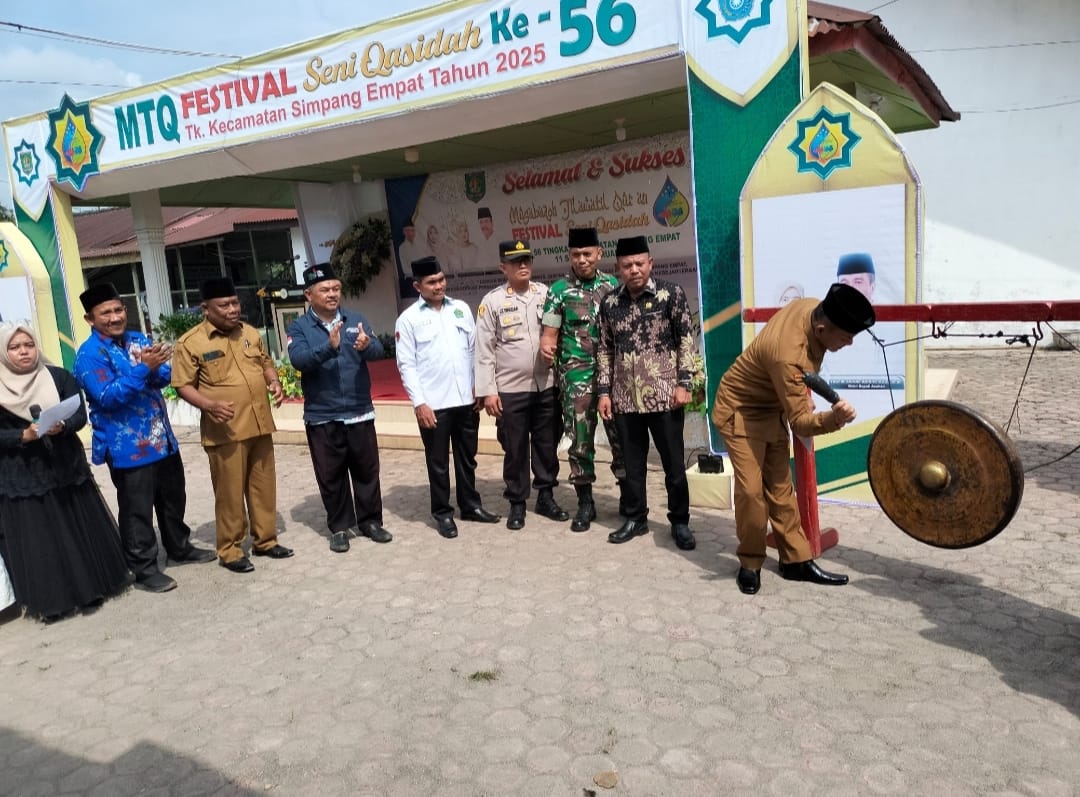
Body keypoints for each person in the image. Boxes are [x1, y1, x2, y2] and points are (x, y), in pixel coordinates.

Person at [712, 282, 875, 595]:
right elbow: (800, 423)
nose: (850, 343)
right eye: (845, 337)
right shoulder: (790, 357)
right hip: (740, 411)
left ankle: (795, 561)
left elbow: (798, 389)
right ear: (821, 328)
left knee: (781, 489)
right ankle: (750, 562)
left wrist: (801, 398)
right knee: (752, 493)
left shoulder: (813, 306)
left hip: (772, 408)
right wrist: (835, 419)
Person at [74, 283, 215, 594]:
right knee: (137, 509)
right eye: (105, 313)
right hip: (126, 447)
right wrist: (143, 369)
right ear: (90, 319)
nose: (114, 317)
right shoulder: (89, 355)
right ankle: (143, 568)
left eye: (118, 310)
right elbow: (108, 397)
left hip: (161, 438)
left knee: (173, 497)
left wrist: (158, 365)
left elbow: (163, 377)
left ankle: (179, 547)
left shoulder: (138, 339)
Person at [0, 322, 129, 621]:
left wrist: (63, 426)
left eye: (29, 345)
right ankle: (54, 601)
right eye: (14, 347)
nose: (23, 352)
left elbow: (79, 414)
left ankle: (91, 589)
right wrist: (22, 436)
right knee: (41, 536)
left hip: (65, 466)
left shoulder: (57, 377)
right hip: (23, 474)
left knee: (76, 527)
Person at [171, 277, 293, 573]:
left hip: (259, 424)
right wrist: (209, 405)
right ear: (206, 309)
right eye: (224, 305)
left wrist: (274, 382)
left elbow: (265, 362)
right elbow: (182, 385)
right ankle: (230, 549)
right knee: (230, 493)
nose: (232, 309)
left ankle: (265, 541)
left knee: (263, 487)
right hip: (226, 431)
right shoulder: (190, 343)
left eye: (235, 303)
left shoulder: (249, 332)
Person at [597, 236, 697, 551]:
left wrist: (685, 383)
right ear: (618, 268)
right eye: (627, 265)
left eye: (640, 263)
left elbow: (686, 339)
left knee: (673, 465)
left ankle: (680, 522)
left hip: (665, 395)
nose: (634, 270)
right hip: (626, 399)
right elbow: (605, 349)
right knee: (632, 466)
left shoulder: (671, 294)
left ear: (650, 263)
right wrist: (604, 391)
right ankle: (635, 517)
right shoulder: (609, 303)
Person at [286, 263, 392, 553]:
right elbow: (299, 360)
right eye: (325, 290)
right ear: (309, 295)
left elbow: (377, 351)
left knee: (367, 471)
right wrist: (328, 347)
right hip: (323, 415)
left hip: (359, 410)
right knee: (331, 476)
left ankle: (370, 522)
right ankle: (340, 527)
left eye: (336, 288)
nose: (332, 294)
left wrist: (367, 345)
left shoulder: (354, 318)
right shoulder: (299, 327)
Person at [395, 256, 501, 538]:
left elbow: (475, 350)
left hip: (466, 400)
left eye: (441, 279)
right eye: (432, 282)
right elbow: (406, 365)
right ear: (418, 286)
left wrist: (479, 386)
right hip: (434, 405)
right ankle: (442, 513)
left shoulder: (461, 309)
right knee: (438, 463)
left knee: (467, 458)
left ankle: (470, 506)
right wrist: (419, 403)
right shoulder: (408, 320)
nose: (439, 285)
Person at [475, 240, 568, 530]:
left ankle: (546, 496)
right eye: (516, 262)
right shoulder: (492, 302)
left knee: (546, 444)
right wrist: (488, 391)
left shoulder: (547, 294)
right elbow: (484, 350)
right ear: (503, 267)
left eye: (526, 259)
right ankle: (517, 502)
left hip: (546, 384)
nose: (523, 265)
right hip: (511, 389)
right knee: (515, 448)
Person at [540, 227, 626, 532]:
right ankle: (585, 503)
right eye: (576, 254)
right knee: (580, 440)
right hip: (577, 378)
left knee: (621, 437)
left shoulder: (613, 286)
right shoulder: (558, 290)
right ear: (569, 256)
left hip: (613, 376)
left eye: (587, 253)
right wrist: (547, 347)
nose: (582, 259)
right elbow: (549, 334)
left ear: (599, 254)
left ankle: (628, 496)